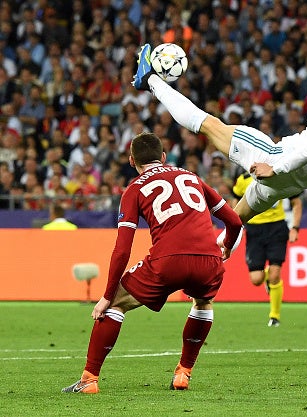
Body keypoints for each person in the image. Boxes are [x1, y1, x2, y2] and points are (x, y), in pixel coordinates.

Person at [133, 44, 307, 228]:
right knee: (234, 223)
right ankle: (211, 263)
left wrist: (274, 167)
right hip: (291, 186)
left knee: (209, 125)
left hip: (275, 160)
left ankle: (150, 80)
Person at [62, 132, 243, 394]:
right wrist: (226, 246)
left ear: (131, 160)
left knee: (115, 305)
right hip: (209, 260)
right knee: (203, 302)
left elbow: (122, 249)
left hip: (167, 261)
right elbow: (235, 222)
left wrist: (107, 295)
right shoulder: (192, 177)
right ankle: (183, 373)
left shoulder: (134, 189)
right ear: (163, 157)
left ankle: (89, 379)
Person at [232, 171, 303, 327]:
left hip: (276, 227)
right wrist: (237, 227)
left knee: (275, 274)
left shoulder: (279, 175)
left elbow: (296, 202)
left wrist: (295, 227)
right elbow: (235, 202)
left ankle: (274, 316)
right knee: (256, 279)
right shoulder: (243, 180)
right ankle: (268, 279)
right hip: (254, 230)